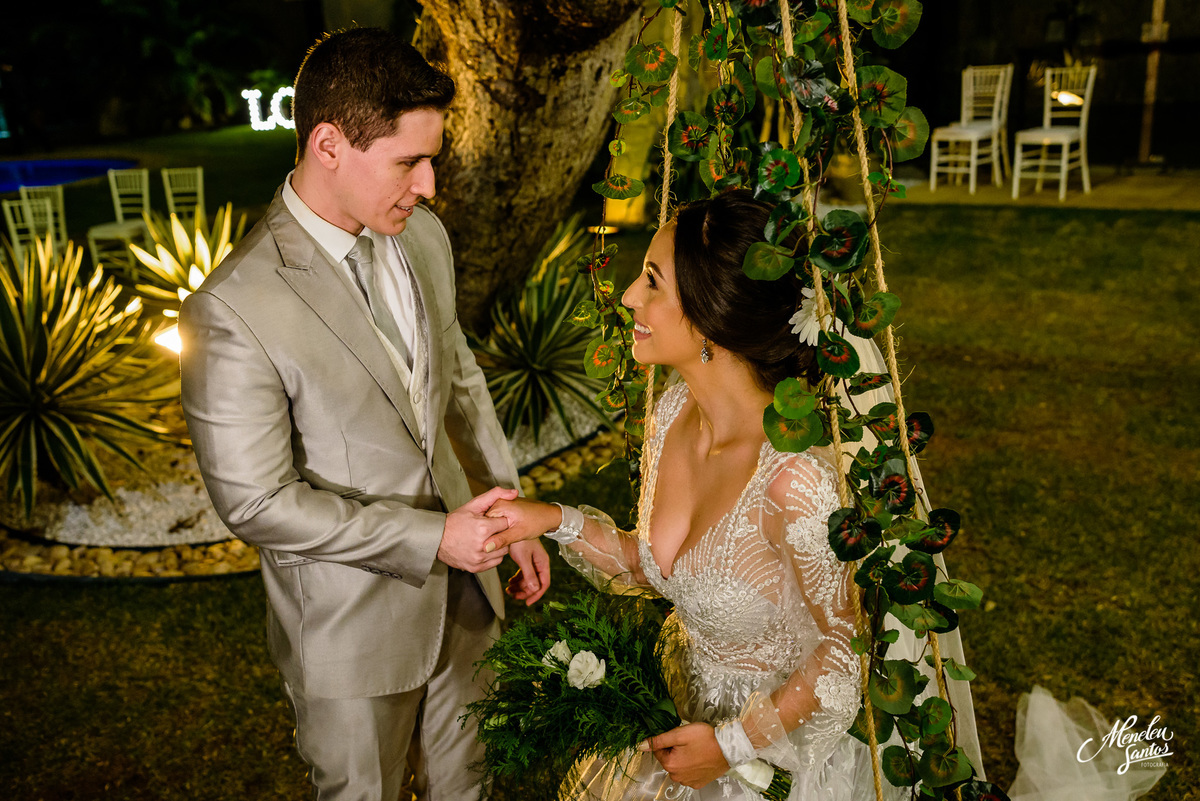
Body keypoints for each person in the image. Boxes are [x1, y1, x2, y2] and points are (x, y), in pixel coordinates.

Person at [484, 189, 983, 799]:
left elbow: (844, 651)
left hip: (772, 762)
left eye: (651, 282)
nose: (627, 296)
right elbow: (653, 565)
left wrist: (732, 746)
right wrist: (550, 519)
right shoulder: (672, 413)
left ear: (711, 317)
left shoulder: (794, 482)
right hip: (683, 717)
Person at [178, 28, 549, 801]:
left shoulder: (423, 238)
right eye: (409, 162)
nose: (430, 186)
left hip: (468, 602)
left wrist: (507, 507)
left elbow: (459, 379)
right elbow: (256, 501)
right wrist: (431, 537)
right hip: (351, 636)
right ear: (328, 144)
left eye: (433, 159)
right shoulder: (234, 308)